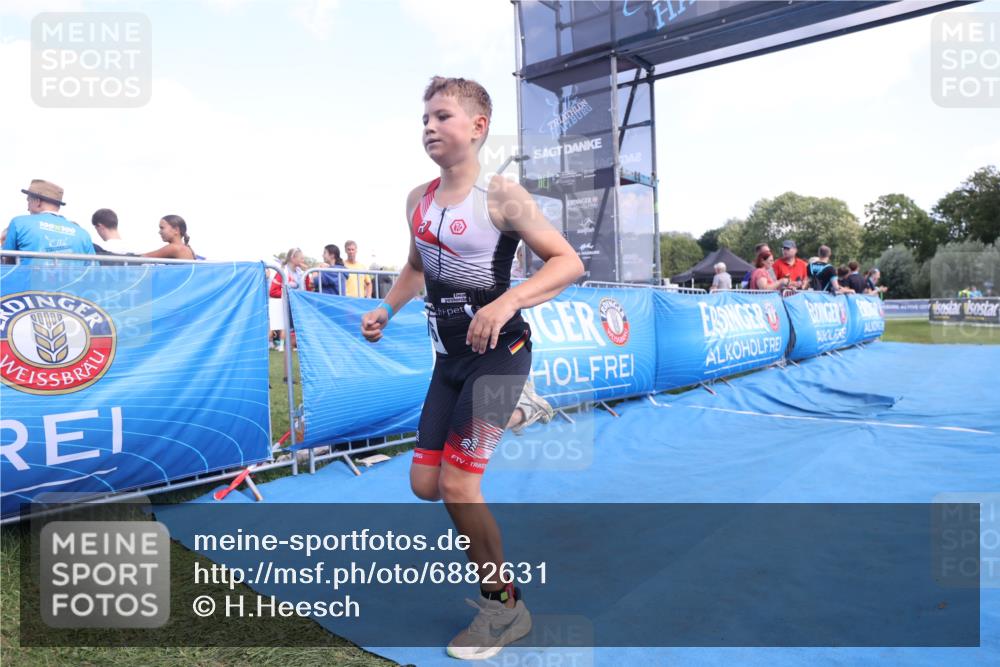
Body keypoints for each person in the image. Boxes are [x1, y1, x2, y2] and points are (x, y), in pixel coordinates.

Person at [360, 76, 583, 660]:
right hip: (448, 362)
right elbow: (416, 264)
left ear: (478, 128)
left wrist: (507, 299)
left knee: (461, 485)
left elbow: (568, 262)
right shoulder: (418, 199)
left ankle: (505, 607)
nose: (429, 127)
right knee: (426, 486)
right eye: (425, 119)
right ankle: (515, 411)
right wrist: (387, 306)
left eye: (442, 116)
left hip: (501, 355)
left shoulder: (501, 195)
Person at [3, 179, 95, 264]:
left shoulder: (19, 223)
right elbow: (94, 271)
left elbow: (7, 264)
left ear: (37, 201)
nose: (27, 208)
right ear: (58, 205)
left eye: (28, 201)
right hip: (71, 282)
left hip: (28, 282)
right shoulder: (83, 234)